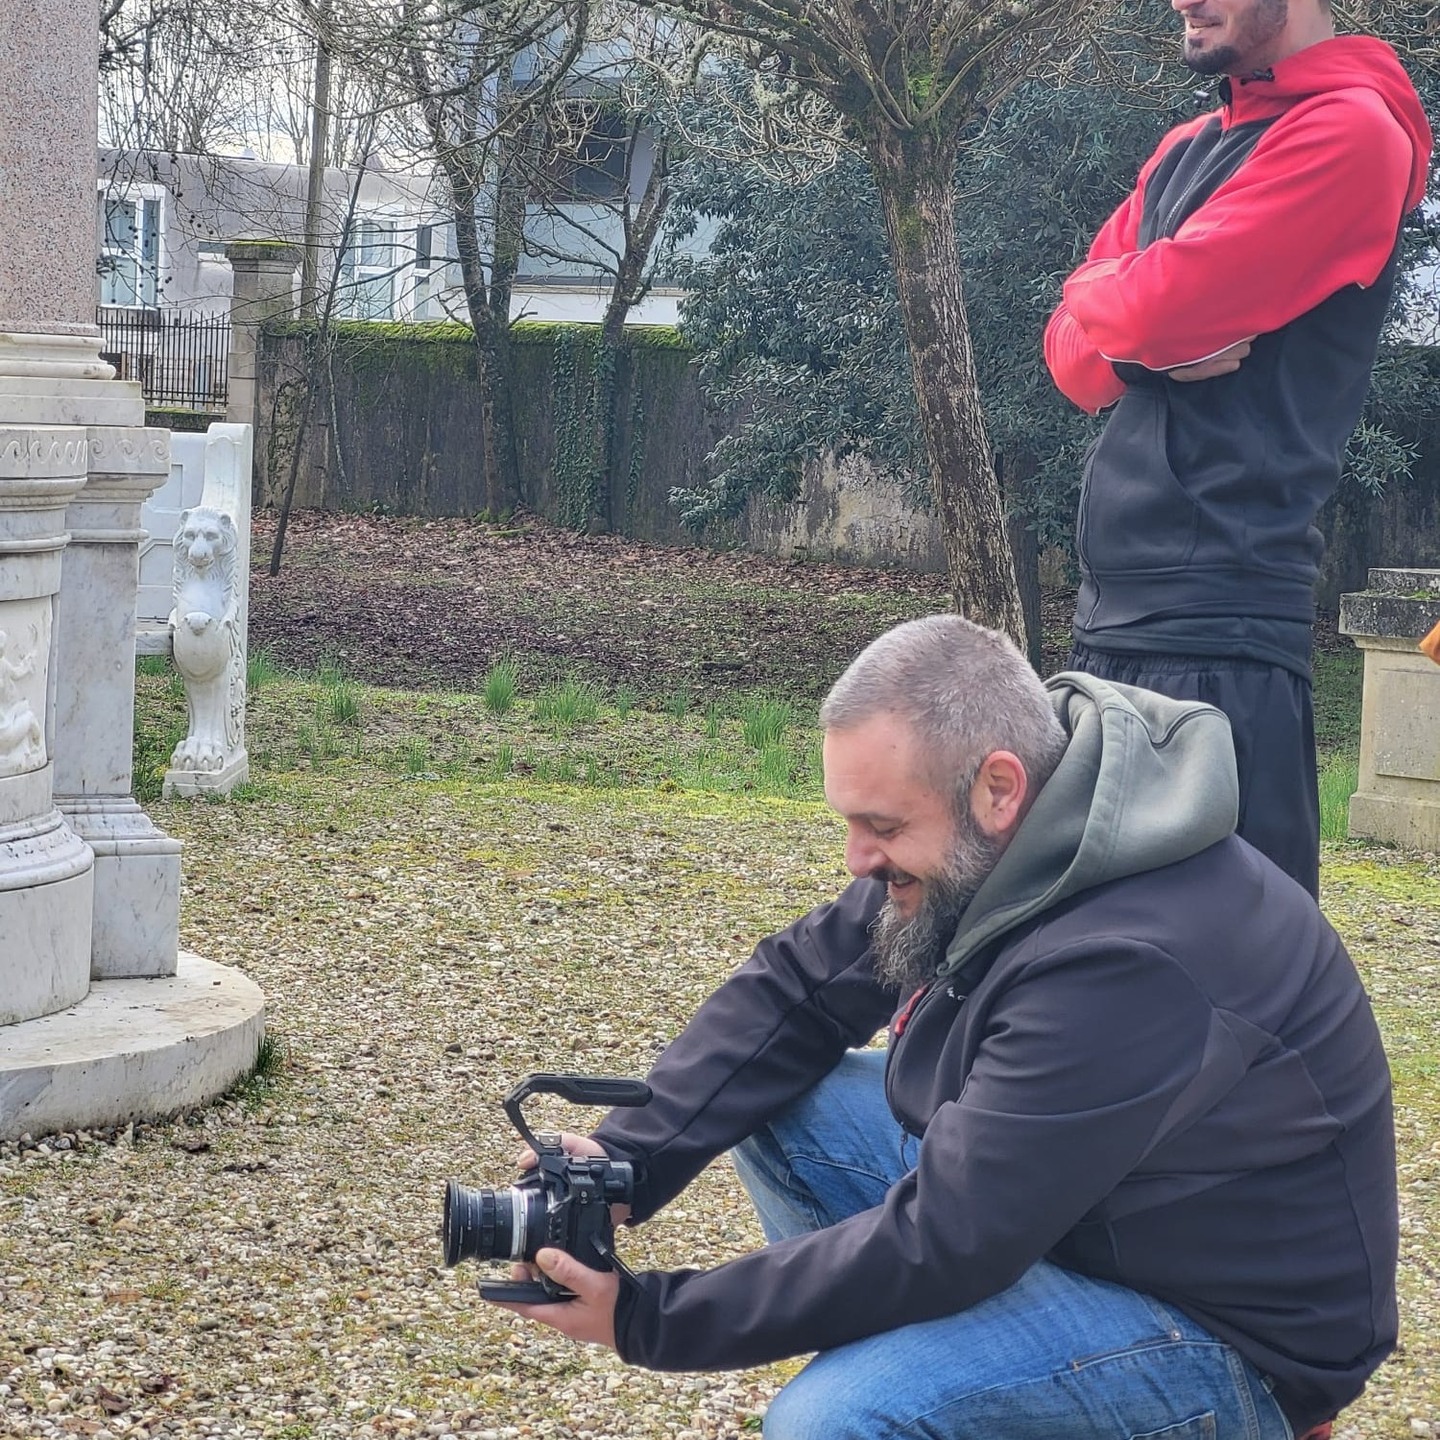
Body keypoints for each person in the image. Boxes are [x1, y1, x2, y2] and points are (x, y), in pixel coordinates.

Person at [488, 614, 1398, 1440]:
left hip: (1225, 1334)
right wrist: (625, 1162)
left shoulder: (1131, 959)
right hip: (1087, 1218)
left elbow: (950, 1238)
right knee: (778, 1097)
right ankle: (931, 1374)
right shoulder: (1017, 835)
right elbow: (798, 986)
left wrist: (649, 1317)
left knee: (831, 1423)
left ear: (998, 787)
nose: (856, 858)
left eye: (880, 825)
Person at [1043, 0, 1432, 898]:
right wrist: (1134, 322)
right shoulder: (1185, 147)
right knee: (1073, 979)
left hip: (1223, 630)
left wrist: (1127, 305)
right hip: (1108, 625)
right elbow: (1072, 361)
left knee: (1231, 998)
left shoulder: (1351, 131)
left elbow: (1146, 311)